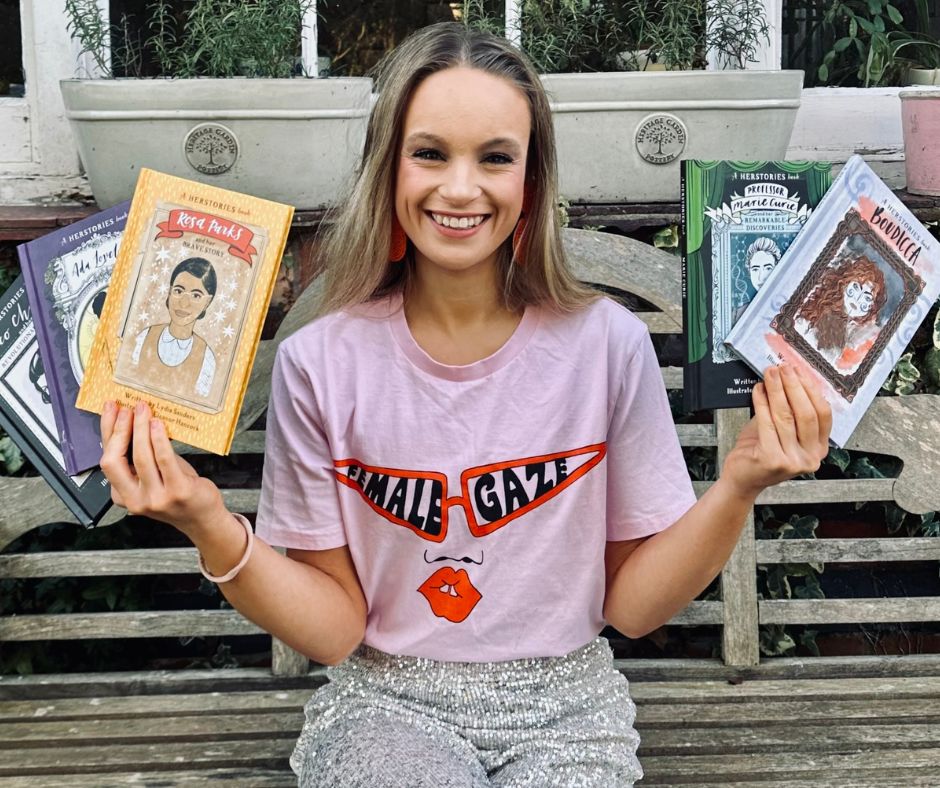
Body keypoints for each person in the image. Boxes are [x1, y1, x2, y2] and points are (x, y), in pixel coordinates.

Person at [97, 22, 831, 788]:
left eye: (495, 157)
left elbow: (635, 607)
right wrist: (208, 524)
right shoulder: (320, 362)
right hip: (386, 707)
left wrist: (741, 482)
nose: (459, 187)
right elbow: (336, 628)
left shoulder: (607, 347)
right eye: (430, 153)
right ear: (388, 170)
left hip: (568, 711)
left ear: (531, 181)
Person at [129, 257, 218, 398]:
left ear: (207, 302)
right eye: (178, 291)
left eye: (196, 295)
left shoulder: (206, 358)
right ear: (169, 292)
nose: (184, 303)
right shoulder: (144, 337)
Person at [795, 255, 887, 372]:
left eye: (867, 298)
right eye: (855, 287)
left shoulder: (850, 330)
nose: (857, 299)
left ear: (871, 308)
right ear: (843, 284)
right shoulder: (823, 313)